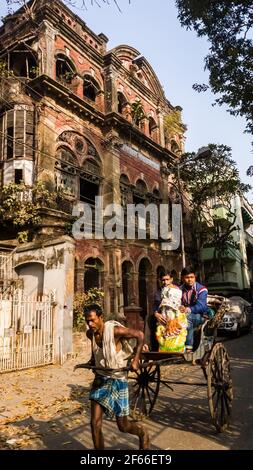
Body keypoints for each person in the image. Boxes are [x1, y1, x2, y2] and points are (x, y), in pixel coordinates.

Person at [83, 304, 150, 450]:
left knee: (123, 426)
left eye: (93, 320)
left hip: (118, 379)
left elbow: (140, 335)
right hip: (101, 379)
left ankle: (142, 432)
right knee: (95, 423)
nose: (90, 324)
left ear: (101, 318)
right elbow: (95, 350)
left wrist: (136, 359)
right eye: (88, 321)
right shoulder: (91, 334)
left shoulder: (115, 331)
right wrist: (92, 360)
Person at [155, 272, 187, 353]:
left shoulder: (177, 290)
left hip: (175, 314)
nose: (165, 282)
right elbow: (156, 305)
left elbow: (179, 304)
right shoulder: (159, 291)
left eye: (167, 279)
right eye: (163, 280)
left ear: (171, 279)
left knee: (175, 330)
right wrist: (156, 313)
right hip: (163, 314)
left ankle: (178, 351)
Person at [179, 267, 208, 351]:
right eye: (187, 277)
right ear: (182, 278)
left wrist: (187, 309)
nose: (190, 280)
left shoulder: (202, 289)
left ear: (195, 277)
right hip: (184, 315)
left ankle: (188, 347)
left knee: (187, 318)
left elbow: (202, 306)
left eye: (192, 277)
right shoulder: (179, 290)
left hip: (200, 316)